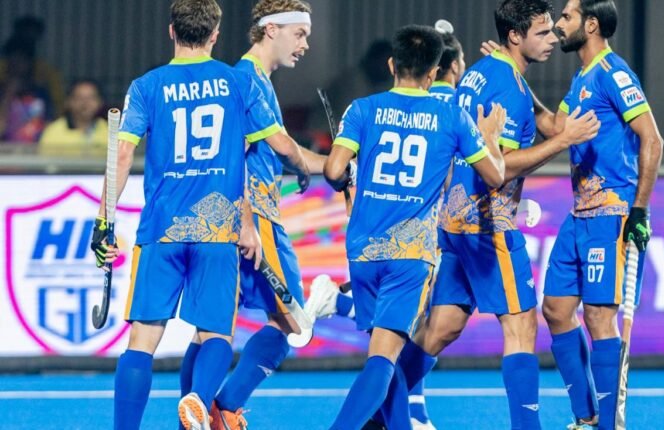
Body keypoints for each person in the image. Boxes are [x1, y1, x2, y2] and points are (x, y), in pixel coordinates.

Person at [88, 1, 299, 428]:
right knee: (215, 333)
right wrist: (315, 167)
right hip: (217, 231)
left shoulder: (147, 86)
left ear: (171, 31)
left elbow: (122, 155)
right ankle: (199, 400)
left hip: (161, 229)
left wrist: (103, 221)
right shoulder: (238, 82)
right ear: (215, 35)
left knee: (142, 340)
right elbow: (278, 146)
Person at [394, 1, 601, 429]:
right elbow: (500, 166)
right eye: (542, 32)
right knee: (522, 325)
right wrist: (564, 142)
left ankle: (379, 410)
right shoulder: (507, 87)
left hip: (453, 221)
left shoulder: (482, 72)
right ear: (514, 36)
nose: (552, 38)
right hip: (488, 224)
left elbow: (524, 125)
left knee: (442, 327)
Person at [324, 24, 506, 430]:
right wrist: (491, 138)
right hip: (410, 254)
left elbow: (334, 170)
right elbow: (495, 176)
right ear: (434, 72)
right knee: (384, 359)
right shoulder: (452, 116)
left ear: (392, 64)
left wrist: (346, 178)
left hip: (364, 249)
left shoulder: (362, 109)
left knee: (383, 354)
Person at [176, 1, 318, 429]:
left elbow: (281, 149)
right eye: (299, 34)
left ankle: (196, 415)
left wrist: (305, 165)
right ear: (271, 29)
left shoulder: (251, 78)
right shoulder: (246, 80)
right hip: (254, 220)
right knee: (293, 323)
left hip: (225, 221)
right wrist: (248, 220)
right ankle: (224, 408)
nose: (305, 45)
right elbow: (248, 152)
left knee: (209, 329)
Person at [539, 1, 663, 429]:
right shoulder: (580, 77)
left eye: (567, 16)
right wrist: (514, 78)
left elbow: (652, 139)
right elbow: (556, 128)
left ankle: (608, 424)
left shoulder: (614, 72)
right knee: (556, 309)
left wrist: (639, 209)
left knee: (598, 317)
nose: (559, 24)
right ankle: (587, 418)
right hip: (579, 214)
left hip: (612, 214)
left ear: (590, 25)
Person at [0, 37, 52, 144]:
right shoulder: (2, 92)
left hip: (36, 150)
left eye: (20, 61)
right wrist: (8, 96)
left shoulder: (41, 93)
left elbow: (49, 126)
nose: (15, 66)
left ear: (30, 63)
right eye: (12, 61)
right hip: (5, 150)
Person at [38, 79, 108, 157]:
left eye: (91, 98)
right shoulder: (53, 131)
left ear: (100, 102)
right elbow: (45, 162)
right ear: (69, 102)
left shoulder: (108, 130)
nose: (85, 103)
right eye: (79, 98)